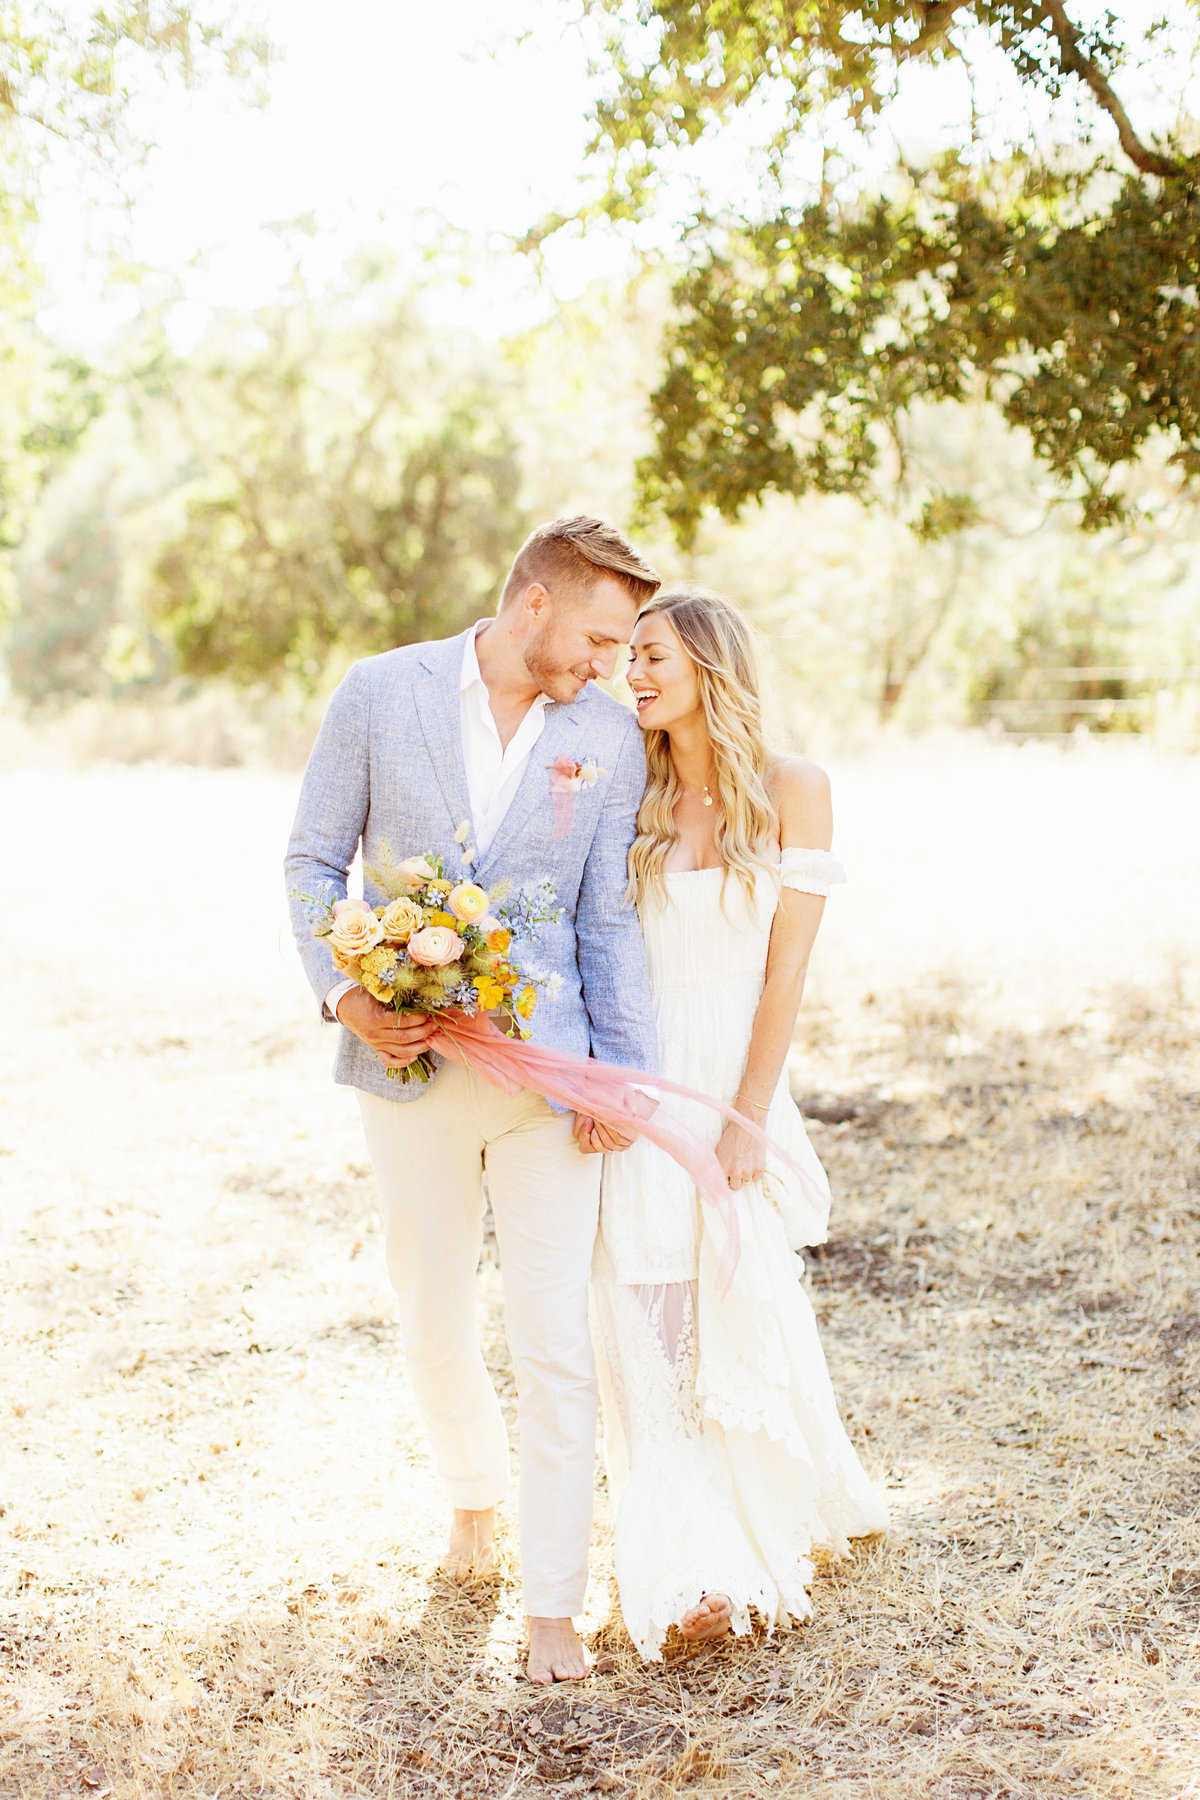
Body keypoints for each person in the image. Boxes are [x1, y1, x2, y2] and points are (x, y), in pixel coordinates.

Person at [284, 517, 661, 1683]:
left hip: (550, 1087)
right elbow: (310, 861)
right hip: (408, 1070)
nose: (611, 664)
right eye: (599, 635)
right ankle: (471, 1497)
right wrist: (347, 994)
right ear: (535, 603)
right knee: (432, 1315)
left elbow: (605, 919)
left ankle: (552, 1604)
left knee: (556, 1344)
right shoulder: (377, 692)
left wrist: (620, 1076)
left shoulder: (606, 736)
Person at [592, 587, 888, 1661]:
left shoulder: (792, 790)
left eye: (652, 654)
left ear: (710, 663)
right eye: (627, 658)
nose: (633, 673)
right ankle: (689, 1563)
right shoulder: (631, 787)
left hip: (732, 1080)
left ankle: (754, 1526)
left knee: (737, 1307)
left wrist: (750, 1115)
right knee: (649, 1318)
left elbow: (787, 971)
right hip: (639, 1081)